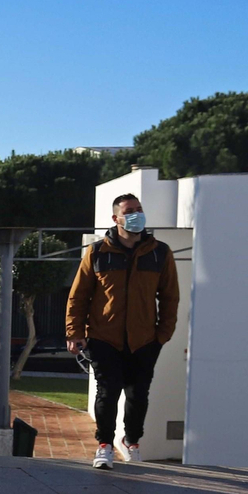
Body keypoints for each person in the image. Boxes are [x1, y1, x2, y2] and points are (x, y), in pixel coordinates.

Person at [66, 193, 179, 469]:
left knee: (138, 394)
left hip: (144, 340)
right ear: (116, 218)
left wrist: (162, 335)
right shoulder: (96, 252)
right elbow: (78, 296)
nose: (136, 214)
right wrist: (74, 332)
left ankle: (132, 442)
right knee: (107, 392)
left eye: (139, 209)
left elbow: (169, 297)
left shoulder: (159, 253)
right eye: (129, 210)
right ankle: (104, 445)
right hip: (104, 337)